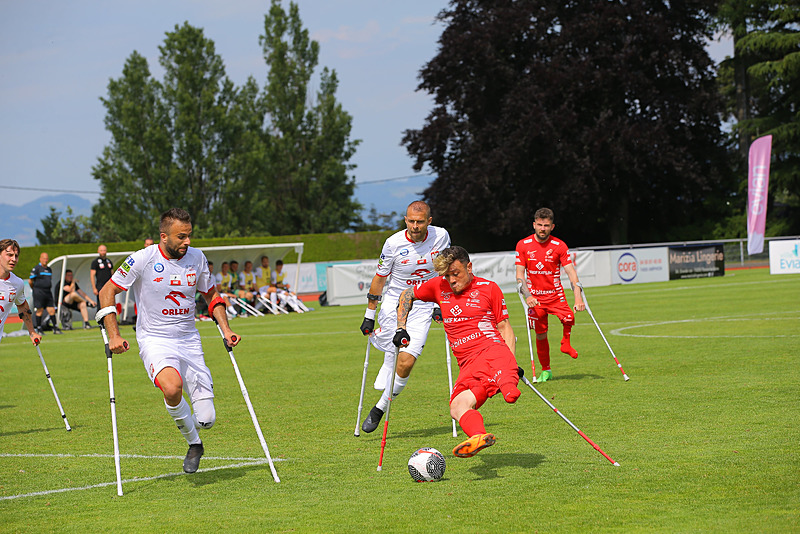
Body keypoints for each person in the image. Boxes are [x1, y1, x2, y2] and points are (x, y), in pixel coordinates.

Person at [98, 208, 240, 474]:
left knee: (207, 419)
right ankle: (194, 444)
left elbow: (211, 295)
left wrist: (226, 329)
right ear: (164, 237)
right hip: (155, 338)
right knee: (172, 388)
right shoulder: (142, 259)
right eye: (181, 237)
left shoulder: (197, 257)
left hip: (189, 339)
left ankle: (197, 427)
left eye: (189, 236)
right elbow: (108, 290)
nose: (187, 242)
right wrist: (114, 334)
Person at [394, 245, 521, 458]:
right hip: (466, 364)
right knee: (457, 406)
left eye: (456, 273)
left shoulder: (489, 288)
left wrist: (512, 361)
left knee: (506, 378)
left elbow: (504, 327)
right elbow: (407, 294)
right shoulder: (438, 286)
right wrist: (401, 327)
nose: (451, 280)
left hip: (490, 350)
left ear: (469, 267)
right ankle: (479, 436)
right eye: (447, 275)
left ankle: (509, 385)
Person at [358, 200, 451, 433]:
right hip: (394, 302)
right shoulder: (393, 243)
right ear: (405, 220)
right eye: (411, 221)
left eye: (420, 222)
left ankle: (379, 408)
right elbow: (380, 278)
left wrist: (442, 301)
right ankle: (387, 350)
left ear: (429, 221)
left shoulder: (441, 236)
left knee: (406, 362)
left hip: (423, 304)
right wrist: (369, 314)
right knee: (396, 342)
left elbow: (445, 270)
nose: (415, 226)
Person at [515, 207, 585, 382]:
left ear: (552, 226)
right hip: (535, 299)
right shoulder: (523, 245)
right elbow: (519, 275)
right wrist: (528, 295)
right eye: (539, 225)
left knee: (569, 317)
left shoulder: (559, 246)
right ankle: (546, 370)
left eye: (546, 225)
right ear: (534, 225)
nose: (542, 229)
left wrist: (578, 297)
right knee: (540, 334)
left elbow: (571, 273)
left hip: (555, 295)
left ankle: (565, 344)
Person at [0, 239, 41, 346]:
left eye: (16, 256)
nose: (13, 259)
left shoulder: (17, 283)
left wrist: (32, 332)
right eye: (9, 255)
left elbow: (22, 306)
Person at [29, 252, 62, 334]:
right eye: (44, 258)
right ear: (40, 259)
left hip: (48, 292)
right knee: (39, 310)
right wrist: (35, 289)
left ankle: (55, 328)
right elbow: (30, 281)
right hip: (39, 292)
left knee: (52, 310)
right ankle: (39, 329)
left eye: (47, 258)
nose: (46, 260)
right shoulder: (36, 269)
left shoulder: (49, 269)